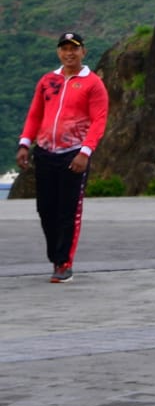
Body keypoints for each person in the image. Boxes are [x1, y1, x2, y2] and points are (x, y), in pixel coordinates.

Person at [16, 31, 110, 284]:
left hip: (74, 154)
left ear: (83, 52)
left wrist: (85, 152)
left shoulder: (92, 83)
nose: (69, 53)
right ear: (59, 52)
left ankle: (63, 263)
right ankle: (55, 257)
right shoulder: (48, 81)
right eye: (64, 48)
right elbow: (35, 114)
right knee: (45, 209)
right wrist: (25, 143)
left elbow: (99, 120)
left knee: (68, 211)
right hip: (45, 152)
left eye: (74, 48)